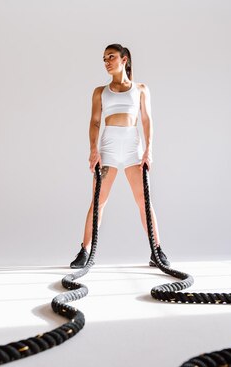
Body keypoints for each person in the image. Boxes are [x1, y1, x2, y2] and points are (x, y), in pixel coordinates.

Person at [70, 43, 170, 269]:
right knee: (98, 203)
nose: (106, 62)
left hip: (133, 148)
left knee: (144, 202)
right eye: (104, 58)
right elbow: (95, 122)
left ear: (124, 59)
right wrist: (93, 150)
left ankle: (157, 251)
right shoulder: (99, 92)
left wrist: (149, 149)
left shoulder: (141, 89)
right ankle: (85, 252)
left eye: (111, 57)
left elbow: (146, 120)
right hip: (109, 149)